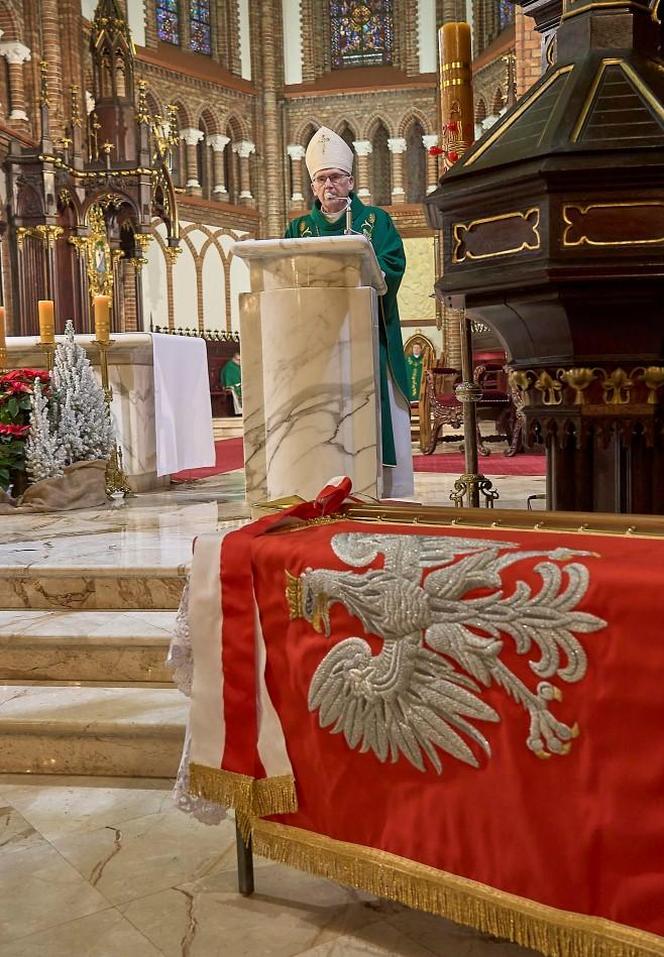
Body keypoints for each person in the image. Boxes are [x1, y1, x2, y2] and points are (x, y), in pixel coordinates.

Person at [284, 126, 414, 498]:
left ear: (351, 181)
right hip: (318, 339)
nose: (330, 185)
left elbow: (392, 264)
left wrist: (367, 274)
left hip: (367, 331)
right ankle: (321, 478)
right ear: (312, 187)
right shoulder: (298, 228)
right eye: (322, 179)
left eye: (336, 178)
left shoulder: (375, 221)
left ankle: (383, 486)